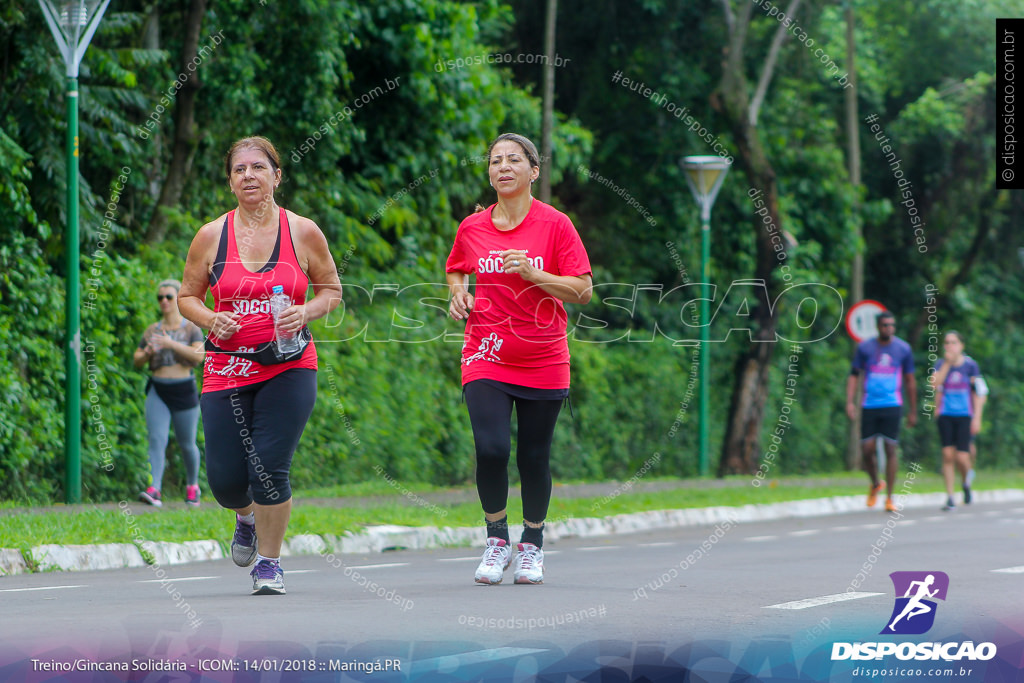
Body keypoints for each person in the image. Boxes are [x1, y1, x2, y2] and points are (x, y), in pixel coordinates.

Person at [178, 136, 341, 595]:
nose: (248, 175)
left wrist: (305, 311)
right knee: (229, 483)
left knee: (270, 467)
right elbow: (187, 297)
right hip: (226, 369)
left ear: (277, 175)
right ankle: (243, 518)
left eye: (258, 167)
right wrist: (211, 318)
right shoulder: (211, 235)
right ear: (230, 181)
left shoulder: (303, 231)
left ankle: (269, 563)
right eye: (239, 170)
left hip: (288, 367)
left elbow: (331, 289)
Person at [446, 132, 593, 585]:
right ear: (489, 172)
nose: (503, 167)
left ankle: (532, 545)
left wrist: (533, 273)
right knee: (490, 449)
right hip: (486, 352)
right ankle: (496, 539)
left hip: (543, 356)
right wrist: (458, 292)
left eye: (514, 160)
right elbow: (456, 265)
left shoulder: (556, 225)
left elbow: (583, 290)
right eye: (495, 161)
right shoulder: (473, 227)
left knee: (533, 456)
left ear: (534, 170)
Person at [132, 279, 205, 507]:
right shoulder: (152, 330)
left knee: (187, 443)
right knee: (156, 439)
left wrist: (170, 344)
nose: (164, 301)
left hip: (184, 389)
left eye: (168, 297)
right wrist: (147, 352)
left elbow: (198, 356)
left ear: (178, 299)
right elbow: (136, 360)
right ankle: (155, 489)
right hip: (158, 389)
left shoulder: (191, 328)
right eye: (160, 298)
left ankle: (192, 485)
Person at [845, 311, 917, 513]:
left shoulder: (903, 349)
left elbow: (910, 380)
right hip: (869, 404)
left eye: (892, 325)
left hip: (893, 404)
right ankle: (876, 482)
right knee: (866, 449)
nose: (889, 328)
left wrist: (913, 410)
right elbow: (853, 375)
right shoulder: (865, 348)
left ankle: (890, 497)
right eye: (885, 325)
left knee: (890, 448)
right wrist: (850, 402)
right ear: (878, 326)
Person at [930, 332, 986, 511]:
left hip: (964, 415)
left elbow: (978, 393)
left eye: (953, 343)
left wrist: (977, 417)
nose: (950, 346)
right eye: (947, 343)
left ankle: (966, 482)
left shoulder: (970, 366)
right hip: (946, 414)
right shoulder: (940, 364)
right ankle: (950, 497)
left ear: (961, 345)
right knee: (947, 455)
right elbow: (935, 384)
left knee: (962, 456)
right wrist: (947, 363)